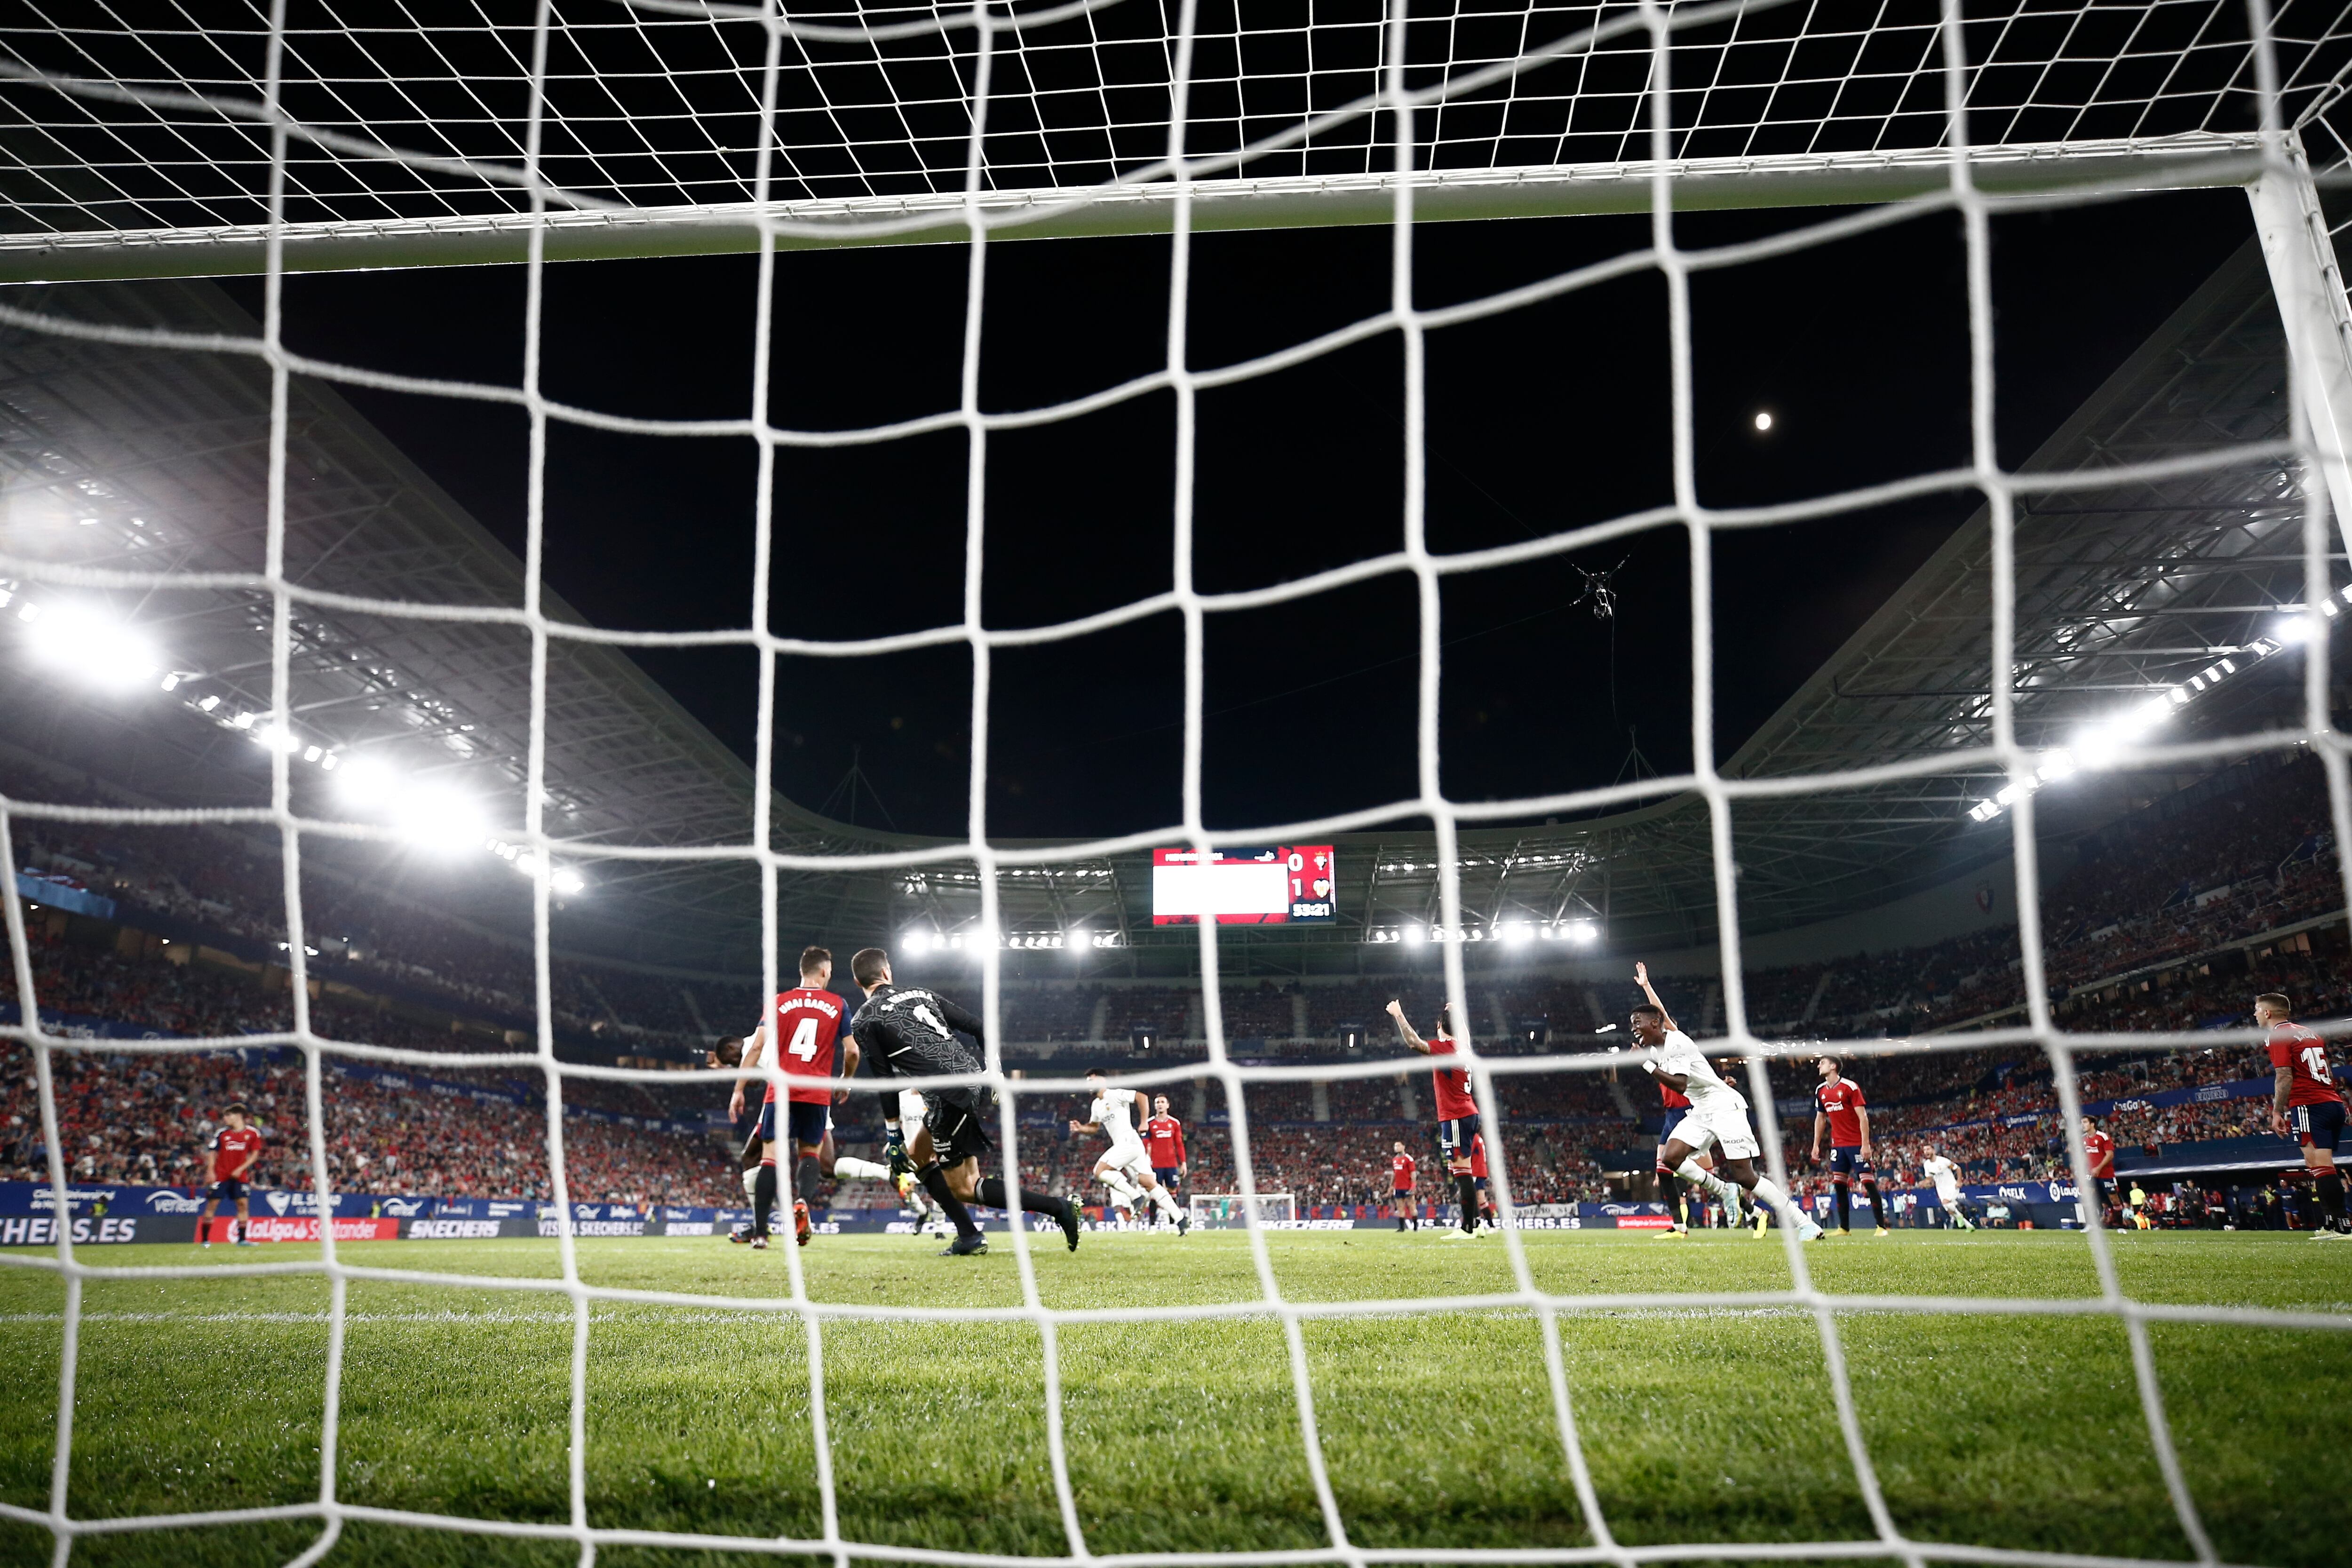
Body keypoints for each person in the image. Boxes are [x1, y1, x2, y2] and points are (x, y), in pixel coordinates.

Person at [848, 947, 1080, 1257]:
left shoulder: (864, 1018)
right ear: (887, 972)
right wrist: (994, 1071)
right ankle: (969, 1234)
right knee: (918, 1156)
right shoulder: (921, 993)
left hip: (948, 1094)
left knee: (965, 1186)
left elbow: (884, 1080)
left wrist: (893, 1134)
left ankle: (1057, 1208)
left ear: (856, 981)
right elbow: (981, 1026)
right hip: (968, 1079)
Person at [1628, 963, 1811, 1238]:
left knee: (1745, 1175)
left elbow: (1680, 1083)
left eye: (1637, 1024)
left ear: (1656, 1024)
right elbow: (1659, 1018)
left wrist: (1646, 1066)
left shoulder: (1676, 1042)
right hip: (1701, 1110)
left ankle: (1804, 1223)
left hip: (1725, 1109)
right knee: (1670, 1158)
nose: (1634, 1030)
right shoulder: (1657, 1046)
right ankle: (1725, 1191)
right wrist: (1644, 987)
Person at [729, 947, 892, 1249]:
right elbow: (853, 1051)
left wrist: (738, 1090)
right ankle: (802, 1201)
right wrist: (845, 1082)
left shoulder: (779, 1002)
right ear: (824, 971)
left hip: (781, 1091)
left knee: (770, 1160)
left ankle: (762, 1233)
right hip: (816, 1094)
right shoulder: (837, 1003)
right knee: (810, 1155)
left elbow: (755, 1049)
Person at [1384, 997, 1483, 1239]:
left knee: (1462, 1173)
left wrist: (1399, 1014)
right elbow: (1466, 1035)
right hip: (1467, 1113)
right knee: (1462, 1171)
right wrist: (1457, 1013)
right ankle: (1475, 1224)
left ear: (1440, 1025)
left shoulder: (1446, 1049)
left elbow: (1413, 1042)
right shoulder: (1463, 1047)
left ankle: (1468, 1228)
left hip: (1456, 1117)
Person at [2259, 991, 2348, 1239]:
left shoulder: (2278, 1035)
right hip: (2331, 1101)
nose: (2255, 1015)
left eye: (2257, 1010)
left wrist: (2277, 1112)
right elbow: (2328, 1069)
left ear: (2267, 1012)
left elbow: (2284, 1075)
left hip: (2309, 1104)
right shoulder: (2310, 1033)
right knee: (2317, 1165)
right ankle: (2331, 1223)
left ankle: (2342, 1225)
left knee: (2321, 1166)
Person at [1070, 1071, 1189, 1234]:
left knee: (1099, 1171)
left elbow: (1142, 1097)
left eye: (1091, 1080)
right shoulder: (1096, 1105)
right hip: (1128, 1146)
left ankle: (1135, 1197)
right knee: (1149, 1183)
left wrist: (1143, 1123)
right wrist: (1081, 1129)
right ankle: (1181, 1219)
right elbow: (1094, 1127)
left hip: (1129, 1141)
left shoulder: (1116, 1094)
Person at [1810, 1057, 1888, 1237]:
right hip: (1838, 1145)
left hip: (1856, 1144)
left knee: (1868, 1183)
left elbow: (1863, 1117)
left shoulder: (1850, 1087)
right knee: (1839, 1186)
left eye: (1822, 1062)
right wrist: (1816, 1145)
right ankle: (1844, 1228)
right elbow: (1820, 1119)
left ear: (1833, 1066)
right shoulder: (1820, 1091)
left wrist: (1866, 1144)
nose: (1819, 1065)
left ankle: (1881, 1227)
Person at [197, 1102, 262, 1248]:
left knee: (243, 1205)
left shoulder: (253, 1133)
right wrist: (210, 1171)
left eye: (228, 1115)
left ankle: (242, 1240)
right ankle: (205, 1240)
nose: (225, 1118)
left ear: (239, 1116)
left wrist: (242, 1168)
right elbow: (213, 1153)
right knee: (212, 1204)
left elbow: (255, 1155)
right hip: (221, 1175)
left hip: (240, 1176)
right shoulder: (222, 1133)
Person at [1144, 1093, 1189, 1228]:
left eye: (1162, 1102)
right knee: (1154, 1194)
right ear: (1155, 1106)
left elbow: (1179, 1144)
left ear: (1168, 1105)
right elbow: (1145, 1144)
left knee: (1172, 1193)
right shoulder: (1150, 1123)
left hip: (1171, 1165)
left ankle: (1173, 1225)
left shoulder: (1174, 1123)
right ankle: (1152, 1226)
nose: (1160, 1104)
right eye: (1157, 1102)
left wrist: (1184, 1163)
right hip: (1155, 1165)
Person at [1921, 1146, 1973, 1230]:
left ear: (1934, 1151)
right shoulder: (1926, 1165)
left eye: (1928, 1149)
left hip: (1951, 1186)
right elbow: (1930, 1178)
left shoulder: (1943, 1161)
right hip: (1941, 1189)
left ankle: (1960, 1217)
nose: (1926, 1152)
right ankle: (1969, 1226)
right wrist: (1925, 1183)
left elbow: (1958, 1168)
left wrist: (1959, 1181)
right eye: (1924, 1150)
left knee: (1946, 1203)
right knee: (1950, 1210)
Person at [2080, 1115, 2117, 1221]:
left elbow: (2110, 1155)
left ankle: (2119, 1224)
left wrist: (2099, 1168)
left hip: (2106, 1173)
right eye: (2082, 1123)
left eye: (2085, 1122)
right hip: (2090, 1173)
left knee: (2114, 1199)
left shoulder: (2103, 1137)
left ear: (2092, 1124)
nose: (2083, 1125)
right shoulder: (2083, 1139)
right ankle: (2092, 1224)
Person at [1390, 1140, 1418, 1231]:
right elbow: (1394, 1173)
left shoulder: (1409, 1159)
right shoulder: (1394, 1160)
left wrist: (1413, 1186)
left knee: (1412, 1207)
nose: (1396, 1148)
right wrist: (1391, 1185)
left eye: (1398, 1146)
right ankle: (1402, 1228)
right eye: (1395, 1146)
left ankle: (1415, 1227)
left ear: (1403, 1147)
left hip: (1407, 1187)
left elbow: (1413, 1173)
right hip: (1398, 1187)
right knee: (1400, 1208)